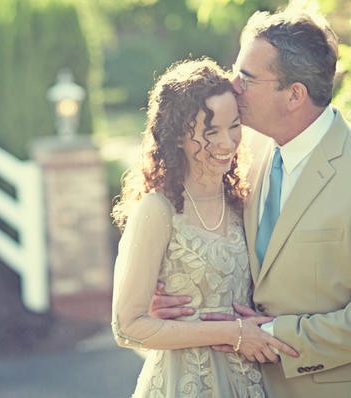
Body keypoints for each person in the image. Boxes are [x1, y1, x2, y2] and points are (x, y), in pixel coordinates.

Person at [149, 7, 351, 397]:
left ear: (294, 94)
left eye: (247, 77)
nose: (232, 85)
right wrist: (181, 296)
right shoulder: (240, 151)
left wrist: (274, 336)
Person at [110, 58, 298, 398]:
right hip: (182, 384)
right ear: (179, 135)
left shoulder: (247, 200)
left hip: (253, 382)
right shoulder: (157, 210)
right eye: (210, 132)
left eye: (234, 126)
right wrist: (232, 333)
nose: (227, 142)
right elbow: (127, 328)